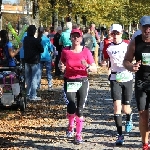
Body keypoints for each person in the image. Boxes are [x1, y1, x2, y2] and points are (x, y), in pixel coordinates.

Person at [59, 28, 97, 144]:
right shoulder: (65, 51)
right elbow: (61, 64)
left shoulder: (86, 52)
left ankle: (78, 134)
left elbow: (95, 68)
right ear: (70, 38)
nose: (75, 38)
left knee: (80, 110)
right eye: (73, 36)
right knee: (71, 106)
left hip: (82, 81)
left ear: (81, 39)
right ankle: (71, 125)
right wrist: (61, 67)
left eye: (78, 36)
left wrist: (88, 67)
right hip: (70, 81)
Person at [102, 24, 133, 146]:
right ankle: (120, 135)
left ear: (121, 33)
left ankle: (129, 117)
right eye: (113, 33)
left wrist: (134, 64)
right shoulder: (107, 47)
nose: (115, 36)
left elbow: (134, 58)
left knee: (126, 108)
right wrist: (103, 63)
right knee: (116, 107)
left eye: (117, 33)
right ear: (110, 34)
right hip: (115, 77)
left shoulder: (128, 45)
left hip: (127, 76)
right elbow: (104, 60)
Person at [123, 16, 150, 150]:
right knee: (143, 115)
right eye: (145, 27)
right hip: (141, 82)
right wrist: (131, 67)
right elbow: (126, 61)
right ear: (140, 27)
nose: (148, 30)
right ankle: (145, 144)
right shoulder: (135, 42)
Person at [24, 25, 44, 101]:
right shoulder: (35, 40)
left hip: (27, 60)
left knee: (28, 78)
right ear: (34, 32)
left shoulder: (26, 39)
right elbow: (41, 49)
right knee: (34, 78)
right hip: (34, 61)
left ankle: (28, 94)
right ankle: (33, 95)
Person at [37, 27, 54, 91]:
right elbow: (51, 49)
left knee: (39, 72)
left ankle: (38, 85)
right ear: (44, 31)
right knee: (48, 71)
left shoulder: (37, 39)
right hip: (47, 57)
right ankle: (50, 85)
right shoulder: (47, 39)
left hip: (39, 58)